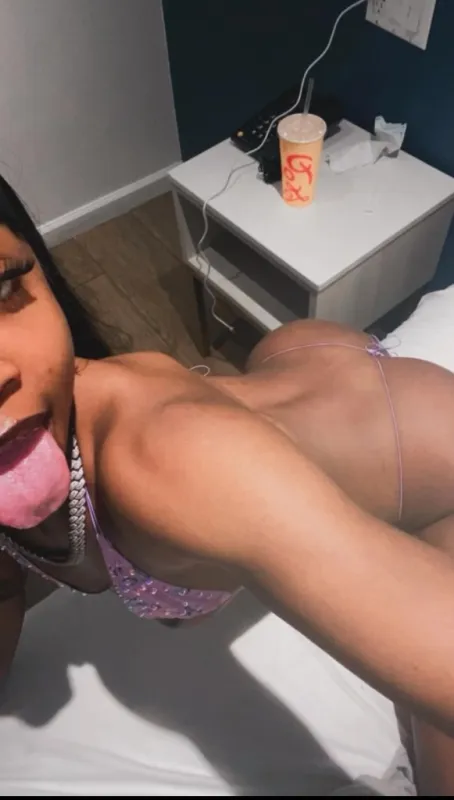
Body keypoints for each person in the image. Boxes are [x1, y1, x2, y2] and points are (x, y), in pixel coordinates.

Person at [0, 176, 454, 794]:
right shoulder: (28, 438)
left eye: (1, 286)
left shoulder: (172, 462)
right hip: (296, 362)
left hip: (423, 452)